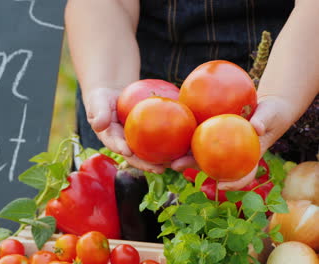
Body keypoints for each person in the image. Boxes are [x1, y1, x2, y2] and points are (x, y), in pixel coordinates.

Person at [67, 0, 319, 190]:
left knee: (289, 220)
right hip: (130, 79)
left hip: (295, 70)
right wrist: (108, 82)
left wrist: (282, 97)